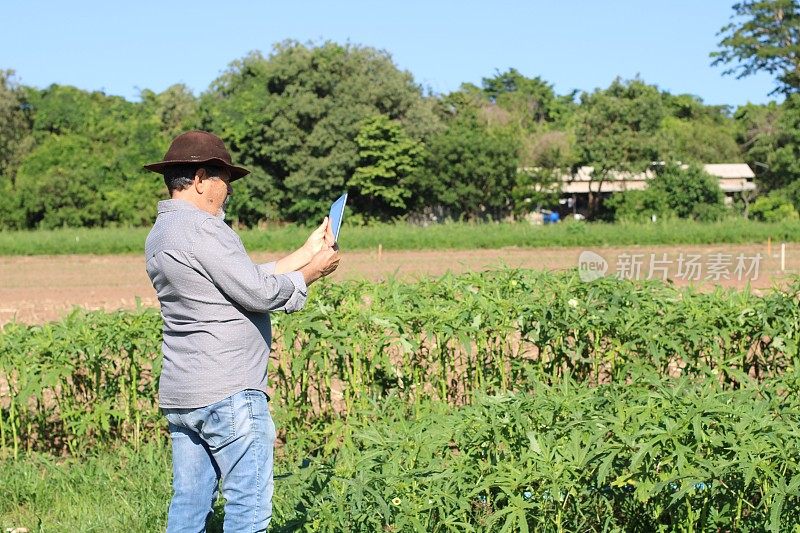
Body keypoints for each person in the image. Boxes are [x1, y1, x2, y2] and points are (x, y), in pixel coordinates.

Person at [143, 130, 340, 532]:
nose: (228, 190)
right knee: (248, 509)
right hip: (227, 390)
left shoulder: (162, 233)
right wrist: (313, 272)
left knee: (189, 506)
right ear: (200, 179)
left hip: (185, 394)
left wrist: (305, 252)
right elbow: (259, 292)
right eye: (224, 180)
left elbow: (241, 280)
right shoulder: (204, 230)